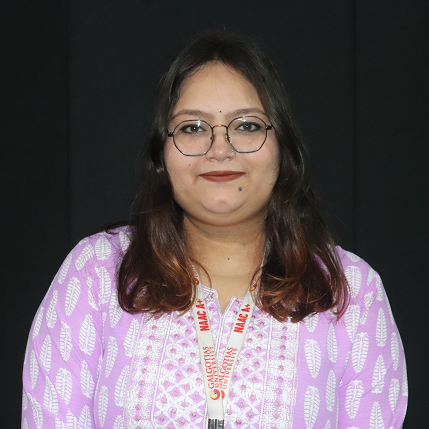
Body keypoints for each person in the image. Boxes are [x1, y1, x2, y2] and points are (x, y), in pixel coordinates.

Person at [22, 29, 407, 429]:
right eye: (192, 127)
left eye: (247, 126)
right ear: (162, 155)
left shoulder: (350, 292)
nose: (220, 149)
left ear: (283, 149)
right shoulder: (97, 274)